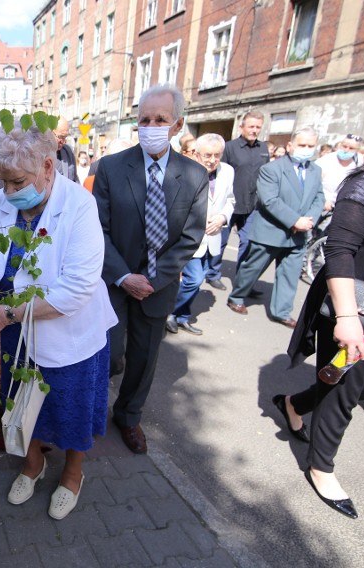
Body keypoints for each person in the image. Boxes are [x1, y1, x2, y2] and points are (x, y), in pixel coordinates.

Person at [0, 125, 117, 520]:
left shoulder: (78, 205)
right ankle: (33, 464)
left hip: (68, 333)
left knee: (71, 406)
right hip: (14, 332)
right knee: (20, 401)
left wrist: (8, 314)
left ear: (47, 166)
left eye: (16, 183)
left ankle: (73, 474)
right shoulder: (2, 200)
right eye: (3, 183)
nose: (8, 192)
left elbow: (76, 288)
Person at [277, 94, 364, 518]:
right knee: (344, 391)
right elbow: (339, 250)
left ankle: (293, 404)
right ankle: (321, 467)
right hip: (361, 313)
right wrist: (347, 318)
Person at [93, 84, 208, 454]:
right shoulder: (111, 167)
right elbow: (99, 229)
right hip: (115, 281)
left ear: (177, 125)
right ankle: (93, 407)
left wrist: (153, 281)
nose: (151, 125)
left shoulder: (193, 175)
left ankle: (128, 416)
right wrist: (125, 276)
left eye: (160, 119)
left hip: (158, 286)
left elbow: (190, 237)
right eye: (145, 119)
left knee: (144, 359)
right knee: (108, 355)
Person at [227, 127, 324, 327]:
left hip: (299, 234)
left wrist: (309, 220)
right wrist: (295, 220)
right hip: (271, 231)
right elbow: (269, 200)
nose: (306, 149)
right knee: (252, 268)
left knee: (289, 275)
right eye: (302, 145)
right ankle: (237, 297)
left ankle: (281, 312)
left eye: (310, 146)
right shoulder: (272, 169)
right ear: (290, 146)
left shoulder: (315, 171)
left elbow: (318, 197)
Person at [166, 134, 235, 335]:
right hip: (187, 238)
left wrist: (223, 217)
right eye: (207, 155)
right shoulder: (183, 172)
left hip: (212, 236)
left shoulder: (227, 172)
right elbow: (173, 205)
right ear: (196, 154)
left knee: (199, 279)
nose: (212, 160)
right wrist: (196, 219)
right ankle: (170, 312)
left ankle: (182, 317)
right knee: (194, 279)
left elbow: (230, 200)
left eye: (217, 155)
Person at [208, 111, 271, 290]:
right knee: (221, 241)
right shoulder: (229, 147)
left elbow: (266, 175)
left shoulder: (263, 149)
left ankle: (243, 281)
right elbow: (218, 173)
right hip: (230, 203)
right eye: (251, 126)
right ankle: (213, 273)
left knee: (248, 242)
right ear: (242, 127)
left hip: (252, 203)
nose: (254, 130)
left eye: (258, 127)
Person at [315, 134, 364, 213]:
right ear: (340, 145)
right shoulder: (325, 161)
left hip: (343, 206)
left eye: (351, 148)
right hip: (323, 205)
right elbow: (313, 184)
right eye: (344, 146)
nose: (346, 150)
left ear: (357, 150)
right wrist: (322, 199)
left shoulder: (359, 162)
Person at [53, 117, 79, 182]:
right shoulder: (39, 155)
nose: (64, 141)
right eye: (61, 137)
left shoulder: (68, 152)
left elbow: (75, 180)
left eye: (65, 137)